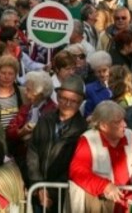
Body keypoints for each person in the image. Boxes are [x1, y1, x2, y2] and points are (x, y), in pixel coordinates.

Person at [68, 101, 132, 212]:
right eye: (117, 122)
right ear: (103, 126)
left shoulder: (131, 137)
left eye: (124, 120)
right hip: (102, 205)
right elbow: (77, 171)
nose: (124, 125)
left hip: (128, 205)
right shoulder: (88, 139)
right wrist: (104, 186)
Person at [26, 75, 85, 212]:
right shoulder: (45, 119)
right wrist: (38, 183)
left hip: (62, 194)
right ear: (57, 97)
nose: (67, 104)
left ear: (80, 103)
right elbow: (33, 151)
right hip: (37, 190)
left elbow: (75, 166)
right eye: (63, 98)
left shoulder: (83, 129)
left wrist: (50, 191)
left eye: (73, 101)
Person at [83, 50, 113, 117]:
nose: (102, 74)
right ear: (94, 73)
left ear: (110, 69)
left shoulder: (116, 85)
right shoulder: (89, 89)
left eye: (104, 70)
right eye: (98, 72)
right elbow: (88, 113)